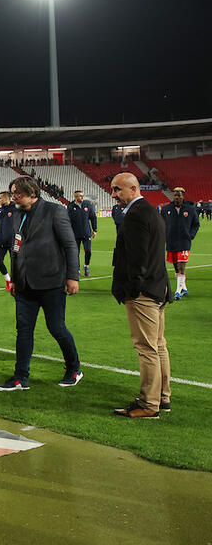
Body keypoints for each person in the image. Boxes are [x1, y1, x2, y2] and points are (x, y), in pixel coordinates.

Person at [0, 176, 83, 391]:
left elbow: (70, 245)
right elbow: (16, 249)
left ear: (32, 193)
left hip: (51, 281)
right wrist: (14, 279)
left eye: (18, 193)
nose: (14, 197)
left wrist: (73, 277)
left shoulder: (55, 211)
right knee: (23, 331)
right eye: (13, 193)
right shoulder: (17, 215)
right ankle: (21, 378)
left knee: (57, 328)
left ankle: (74, 369)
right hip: (24, 284)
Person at [110, 173, 173, 418]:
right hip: (158, 286)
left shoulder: (136, 215)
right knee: (158, 345)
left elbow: (138, 259)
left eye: (118, 190)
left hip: (144, 291)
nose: (114, 195)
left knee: (146, 347)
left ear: (134, 188)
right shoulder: (151, 211)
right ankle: (162, 397)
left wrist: (132, 290)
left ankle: (148, 404)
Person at [159, 187, 200, 299]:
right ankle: (184, 288)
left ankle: (178, 291)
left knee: (182, 265)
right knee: (176, 266)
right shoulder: (166, 209)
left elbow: (196, 224)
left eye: (179, 196)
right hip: (171, 241)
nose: (176, 198)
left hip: (184, 242)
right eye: (175, 195)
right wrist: (164, 236)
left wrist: (191, 235)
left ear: (183, 196)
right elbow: (161, 223)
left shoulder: (190, 209)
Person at [67, 190, 98, 277]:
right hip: (75, 234)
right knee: (75, 253)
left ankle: (86, 266)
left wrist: (95, 229)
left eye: (82, 195)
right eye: (80, 196)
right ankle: (77, 269)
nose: (82, 197)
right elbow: (67, 220)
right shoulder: (70, 206)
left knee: (88, 251)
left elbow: (93, 217)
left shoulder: (87, 204)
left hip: (86, 233)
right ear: (75, 197)